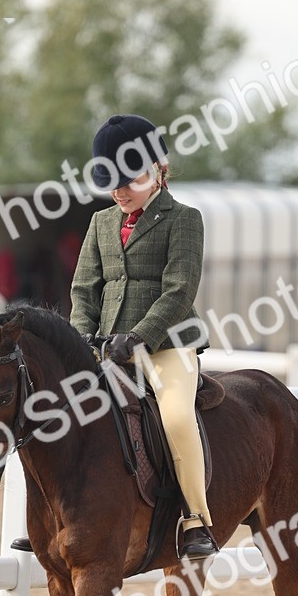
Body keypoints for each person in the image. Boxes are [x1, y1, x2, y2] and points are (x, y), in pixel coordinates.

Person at [70, 113, 216, 559]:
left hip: (168, 346)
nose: (119, 192)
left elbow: (179, 290)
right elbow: (84, 290)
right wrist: (80, 338)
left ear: (158, 169)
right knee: (60, 412)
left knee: (175, 417)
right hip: (108, 348)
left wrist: (140, 336)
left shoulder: (184, 219)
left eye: (128, 182)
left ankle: (196, 519)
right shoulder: (100, 223)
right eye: (111, 184)